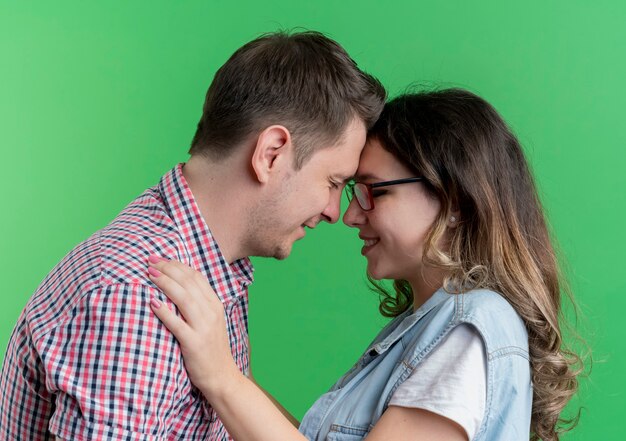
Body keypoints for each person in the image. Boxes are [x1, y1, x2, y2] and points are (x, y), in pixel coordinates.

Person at [0, 31, 385, 440]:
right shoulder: (135, 297)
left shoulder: (208, 265)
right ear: (271, 154)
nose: (333, 211)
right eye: (332, 181)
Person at [146, 89, 581, 440]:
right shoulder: (429, 325)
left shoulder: (471, 327)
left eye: (375, 191)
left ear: (452, 200)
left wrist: (224, 379)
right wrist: (238, 374)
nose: (350, 215)